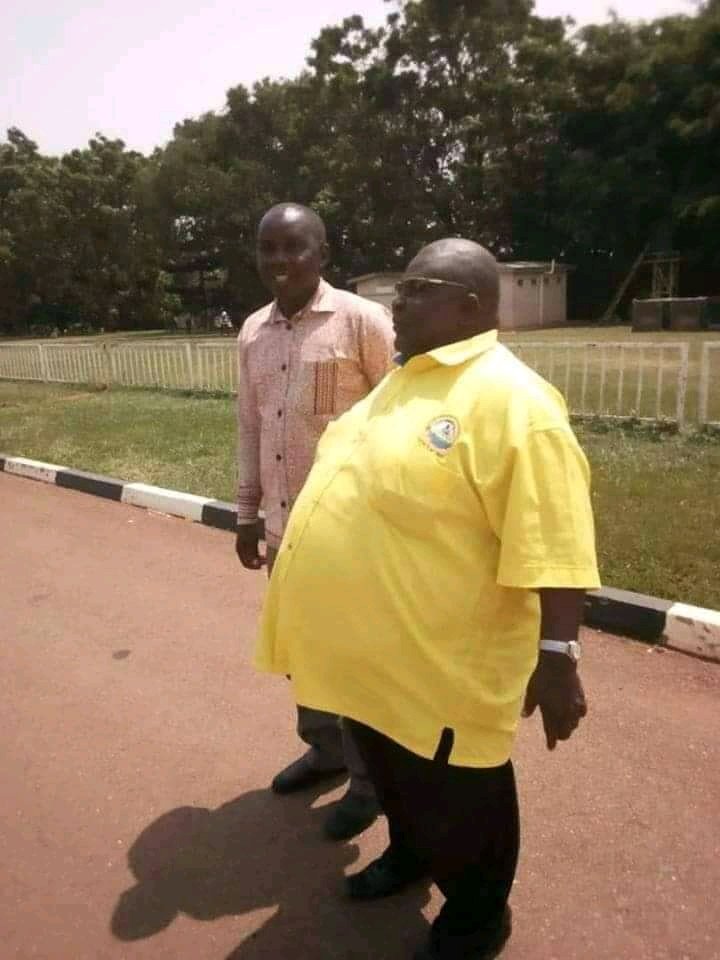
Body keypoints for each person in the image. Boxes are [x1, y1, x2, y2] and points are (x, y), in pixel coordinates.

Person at [255, 238, 600, 959]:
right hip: (377, 656)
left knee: (460, 796)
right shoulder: (404, 379)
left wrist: (559, 657)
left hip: (445, 663)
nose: (397, 303)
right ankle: (411, 855)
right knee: (394, 774)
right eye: (399, 289)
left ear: (469, 307)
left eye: (417, 290)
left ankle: (477, 918)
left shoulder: (514, 401)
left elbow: (557, 540)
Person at [235, 202, 394, 842]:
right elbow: (250, 426)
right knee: (301, 651)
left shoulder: (361, 321)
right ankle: (325, 750)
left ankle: (369, 783)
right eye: (268, 248)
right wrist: (247, 512)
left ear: (322, 252)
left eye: (293, 247)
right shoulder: (253, 331)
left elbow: (400, 417)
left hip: (351, 532)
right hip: (284, 530)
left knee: (352, 660)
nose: (279, 260)